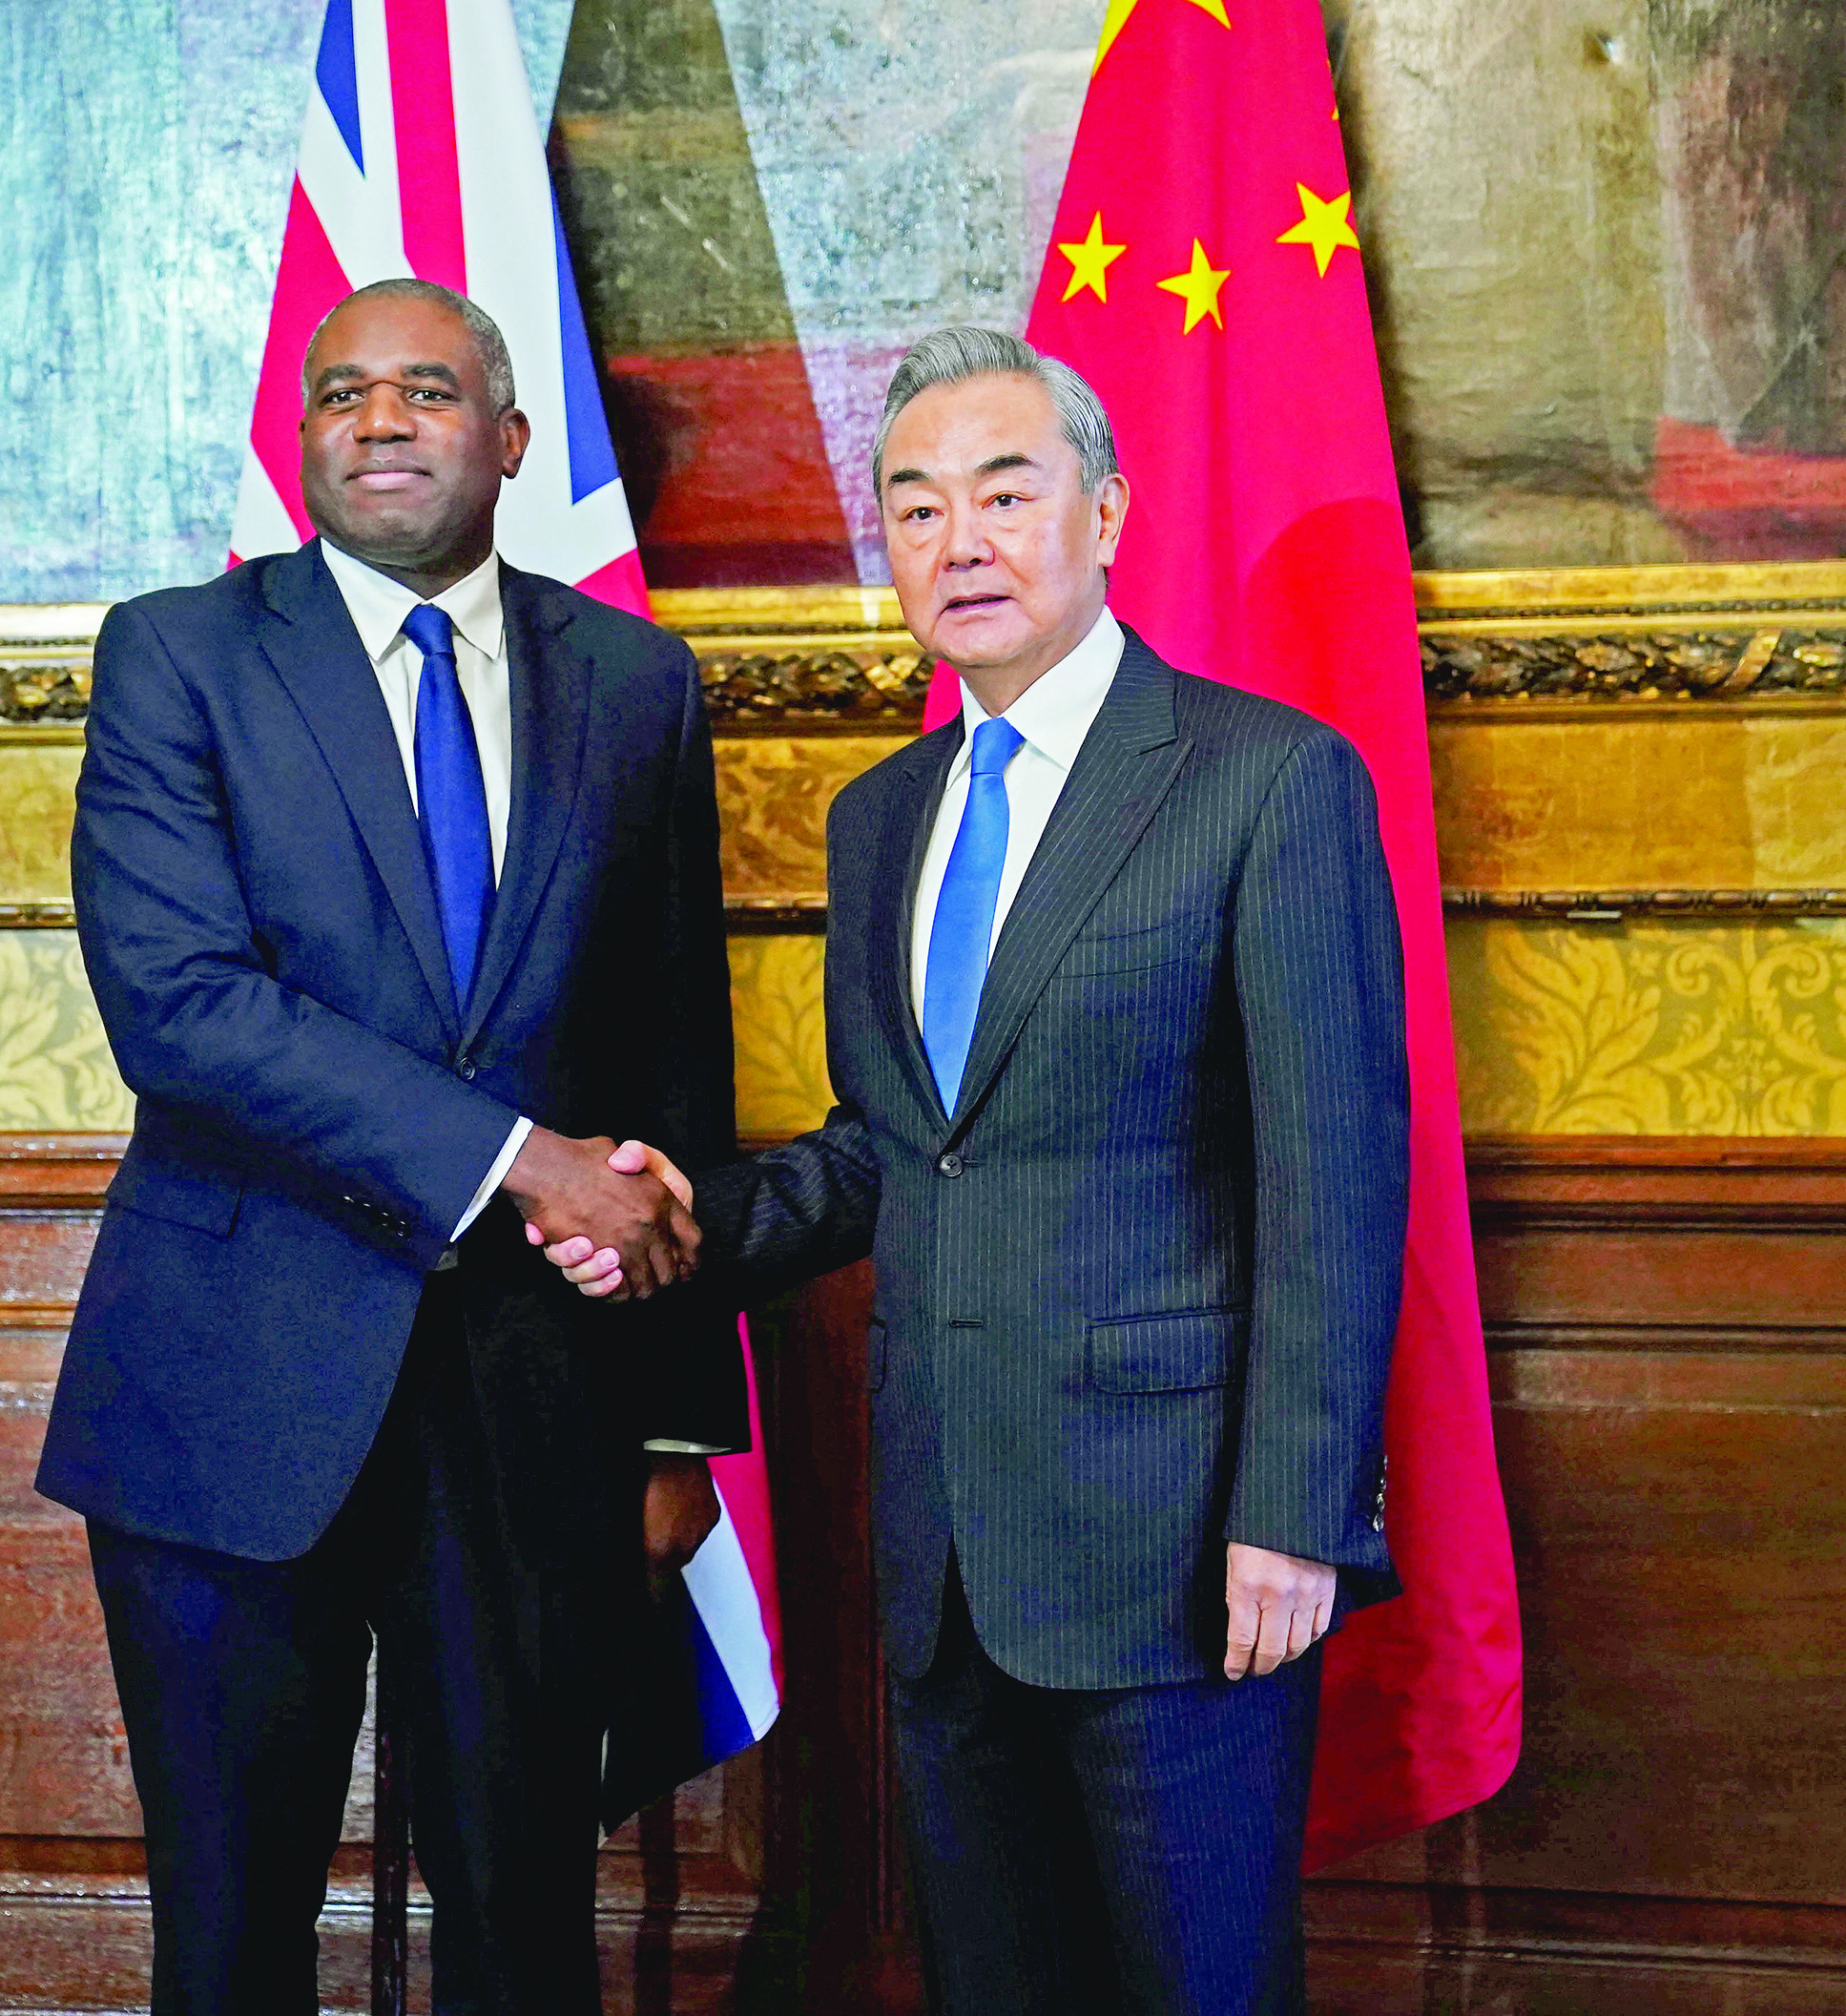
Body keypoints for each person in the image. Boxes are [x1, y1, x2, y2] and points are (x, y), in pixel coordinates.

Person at [538, 326, 1408, 2013]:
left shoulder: (1265, 780)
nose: (962, 541)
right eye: (917, 508)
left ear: (1105, 514)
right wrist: (684, 1220)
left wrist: (1293, 1517)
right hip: (943, 1556)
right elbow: (895, 1150)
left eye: (1006, 495)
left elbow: (1333, 1182)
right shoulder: (884, 817)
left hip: (1183, 1556)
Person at [39, 277, 739, 2016]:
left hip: (536, 1400)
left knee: (523, 1926)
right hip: (230, 1390)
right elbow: (183, 1012)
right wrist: (520, 1155)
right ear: (301, 445)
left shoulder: (634, 684)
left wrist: (668, 1416)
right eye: (342, 392)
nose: (378, 418)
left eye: (426, 390)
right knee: (231, 1930)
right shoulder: (178, 654)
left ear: (508, 441)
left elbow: (669, 1052)